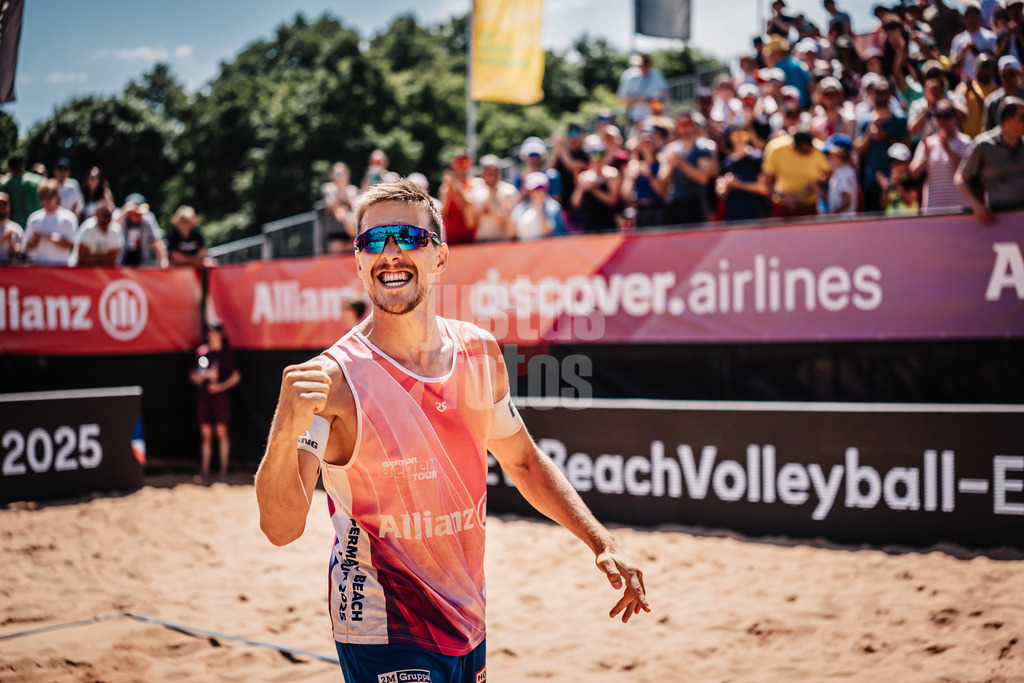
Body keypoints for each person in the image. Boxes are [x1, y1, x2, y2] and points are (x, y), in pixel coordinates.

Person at [254, 179, 650, 683]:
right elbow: (280, 528)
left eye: (408, 237)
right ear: (357, 261)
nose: (390, 253)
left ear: (439, 257)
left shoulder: (479, 352)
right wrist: (285, 430)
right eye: (373, 240)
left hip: (467, 618)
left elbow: (523, 462)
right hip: (383, 626)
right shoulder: (333, 379)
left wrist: (600, 541)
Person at [955, 96, 1024, 223]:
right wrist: (976, 206)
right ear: (1008, 120)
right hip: (996, 220)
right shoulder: (984, 145)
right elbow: (960, 179)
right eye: (1023, 118)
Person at [190, 322, 241, 478]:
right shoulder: (202, 352)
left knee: (221, 432)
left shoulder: (227, 354)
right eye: (210, 333)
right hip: (205, 398)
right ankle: (205, 470)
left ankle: (223, 470)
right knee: (206, 433)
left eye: (215, 333)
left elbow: (236, 376)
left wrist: (222, 386)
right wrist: (203, 376)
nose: (213, 336)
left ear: (221, 335)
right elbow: (193, 376)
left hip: (220, 398)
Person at [854, 77, 910, 213]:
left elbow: (908, 147)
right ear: (873, 95)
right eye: (878, 92)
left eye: (885, 92)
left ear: (890, 94)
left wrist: (887, 139)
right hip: (873, 180)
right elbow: (858, 149)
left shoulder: (900, 119)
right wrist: (870, 134)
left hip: (898, 182)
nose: (882, 96)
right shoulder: (867, 120)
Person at [909, 99, 972, 212]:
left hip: (960, 206)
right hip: (933, 207)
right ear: (934, 119)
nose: (943, 120)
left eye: (947, 115)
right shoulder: (927, 143)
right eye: (939, 116)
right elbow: (914, 173)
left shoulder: (965, 141)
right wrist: (926, 157)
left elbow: (968, 173)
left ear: (955, 117)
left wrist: (947, 149)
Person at [659, 111, 719, 225]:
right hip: (676, 202)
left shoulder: (703, 147)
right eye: (681, 124)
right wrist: (671, 165)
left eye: (686, 123)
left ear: (692, 125)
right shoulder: (670, 148)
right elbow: (662, 181)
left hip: (696, 202)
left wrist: (681, 163)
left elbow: (703, 178)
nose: (684, 127)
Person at [763, 130, 831, 217]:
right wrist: (783, 197)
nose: (808, 151)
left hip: (810, 204)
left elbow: (828, 173)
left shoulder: (819, 149)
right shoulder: (776, 149)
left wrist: (818, 186)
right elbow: (768, 179)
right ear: (794, 147)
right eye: (804, 150)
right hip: (782, 205)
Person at [572, 135, 622, 233]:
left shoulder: (612, 174)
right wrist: (581, 187)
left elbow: (612, 201)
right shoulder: (584, 176)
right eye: (595, 154)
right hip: (590, 224)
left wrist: (594, 189)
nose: (598, 159)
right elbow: (575, 203)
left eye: (601, 154)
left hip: (608, 223)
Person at [23, 179, 78, 265]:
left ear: (57, 196)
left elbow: (72, 245)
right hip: (38, 269)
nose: (47, 199)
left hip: (61, 269)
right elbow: (26, 248)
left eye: (51, 195)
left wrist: (49, 237)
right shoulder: (34, 219)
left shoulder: (68, 218)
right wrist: (35, 241)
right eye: (43, 196)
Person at [622, 128, 668, 228]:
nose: (647, 146)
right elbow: (626, 194)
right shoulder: (633, 166)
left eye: (649, 143)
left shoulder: (661, 164)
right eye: (644, 143)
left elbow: (662, 191)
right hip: (640, 210)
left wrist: (649, 175)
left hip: (657, 208)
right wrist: (630, 178)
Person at [467, 154, 519, 242]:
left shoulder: (509, 192)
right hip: (481, 241)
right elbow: (470, 223)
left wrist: (498, 210)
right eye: (487, 171)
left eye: (493, 171)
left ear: (499, 172)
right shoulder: (475, 193)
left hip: (503, 241)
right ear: (482, 173)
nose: (490, 175)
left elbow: (513, 223)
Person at [617, 52, 669, 128]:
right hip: (638, 119)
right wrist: (641, 100)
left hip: (657, 118)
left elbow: (665, 94)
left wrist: (660, 104)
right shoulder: (629, 76)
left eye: (647, 64)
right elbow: (622, 99)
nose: (645, 67)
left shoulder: (657, 74)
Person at [116, 193, 169, 268]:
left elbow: (156, 240)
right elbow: (111, 230)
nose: (138, 216)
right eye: (134, 213)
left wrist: (164, 259)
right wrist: (125, 211)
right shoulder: (121, 217)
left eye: (139, 213)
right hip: (121, 262)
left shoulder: (148, 218)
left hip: (142, 262)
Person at [439, 149, 479, 245]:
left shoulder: (475, 184)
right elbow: (442, 216)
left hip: (470, 236)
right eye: (458, 163)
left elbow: (470, 217)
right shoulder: (445, 187)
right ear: (453, 165)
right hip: (451, 237)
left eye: (464, 163)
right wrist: (449, 191)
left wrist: (456, 191)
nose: (461, 167)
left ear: (469, 164)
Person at [951, 0, 998, 81]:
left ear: (980, 18)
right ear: (965, 19)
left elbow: (995, 61)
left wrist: (977, 52)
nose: (973, 20)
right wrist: (963, 52)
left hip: (988, 85)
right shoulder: (958, 39)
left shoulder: (990, 37)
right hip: (967, 85)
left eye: (975, 17)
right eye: (970, 17)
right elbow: (952, 65)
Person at [511, 171, 567, 240]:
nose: (537, 192)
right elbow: (513, 234)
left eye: (540, 188)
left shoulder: (554, 208)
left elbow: (552, 233)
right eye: (534, 189)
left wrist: (540, 209)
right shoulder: (519, 208)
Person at [71, 200, 123, 266]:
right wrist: (103, 257)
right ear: (97, 214)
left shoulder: (115, 230)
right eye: (103, 214)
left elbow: (113, 260)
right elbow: (82, 258)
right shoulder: (88, 228)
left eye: (108, 214)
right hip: (83, 269)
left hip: (103, 271)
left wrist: (92, 257)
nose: (106, 218)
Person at [321, 162, 359, 246]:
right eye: (337, 174)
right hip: (335, 232)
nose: (339, 177)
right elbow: (330, 204)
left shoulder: (353, 189)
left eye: (341, 174)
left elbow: (355, 206)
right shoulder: (328, 188)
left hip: (351, 233)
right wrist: (339, 189)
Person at [983, 56, 1024, 131]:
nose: (1008, 78)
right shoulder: (992, 101)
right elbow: (987, 131)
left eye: (1011, 73)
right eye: (1004, 75)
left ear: (1018, 74)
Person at [0, 156, 42, 229]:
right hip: (35, 225)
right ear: (23, 166)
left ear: (10, 168)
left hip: (12, 227)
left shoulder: (5, 183)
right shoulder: (37, 180)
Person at [824, 134, 859, 216]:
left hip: (843, 222)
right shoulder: (843, 171)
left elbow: (847, 200)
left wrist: (832, 216)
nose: (828, 159)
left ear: (839, 155)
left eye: (830, 155)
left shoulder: (843, 173)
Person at [0, 192, 24, 263]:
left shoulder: (16, 228)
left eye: (3, 206)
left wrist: (10, 242)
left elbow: (20, 255)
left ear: (8, 207)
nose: (1, 209)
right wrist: (2, 239)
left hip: (10, 270)